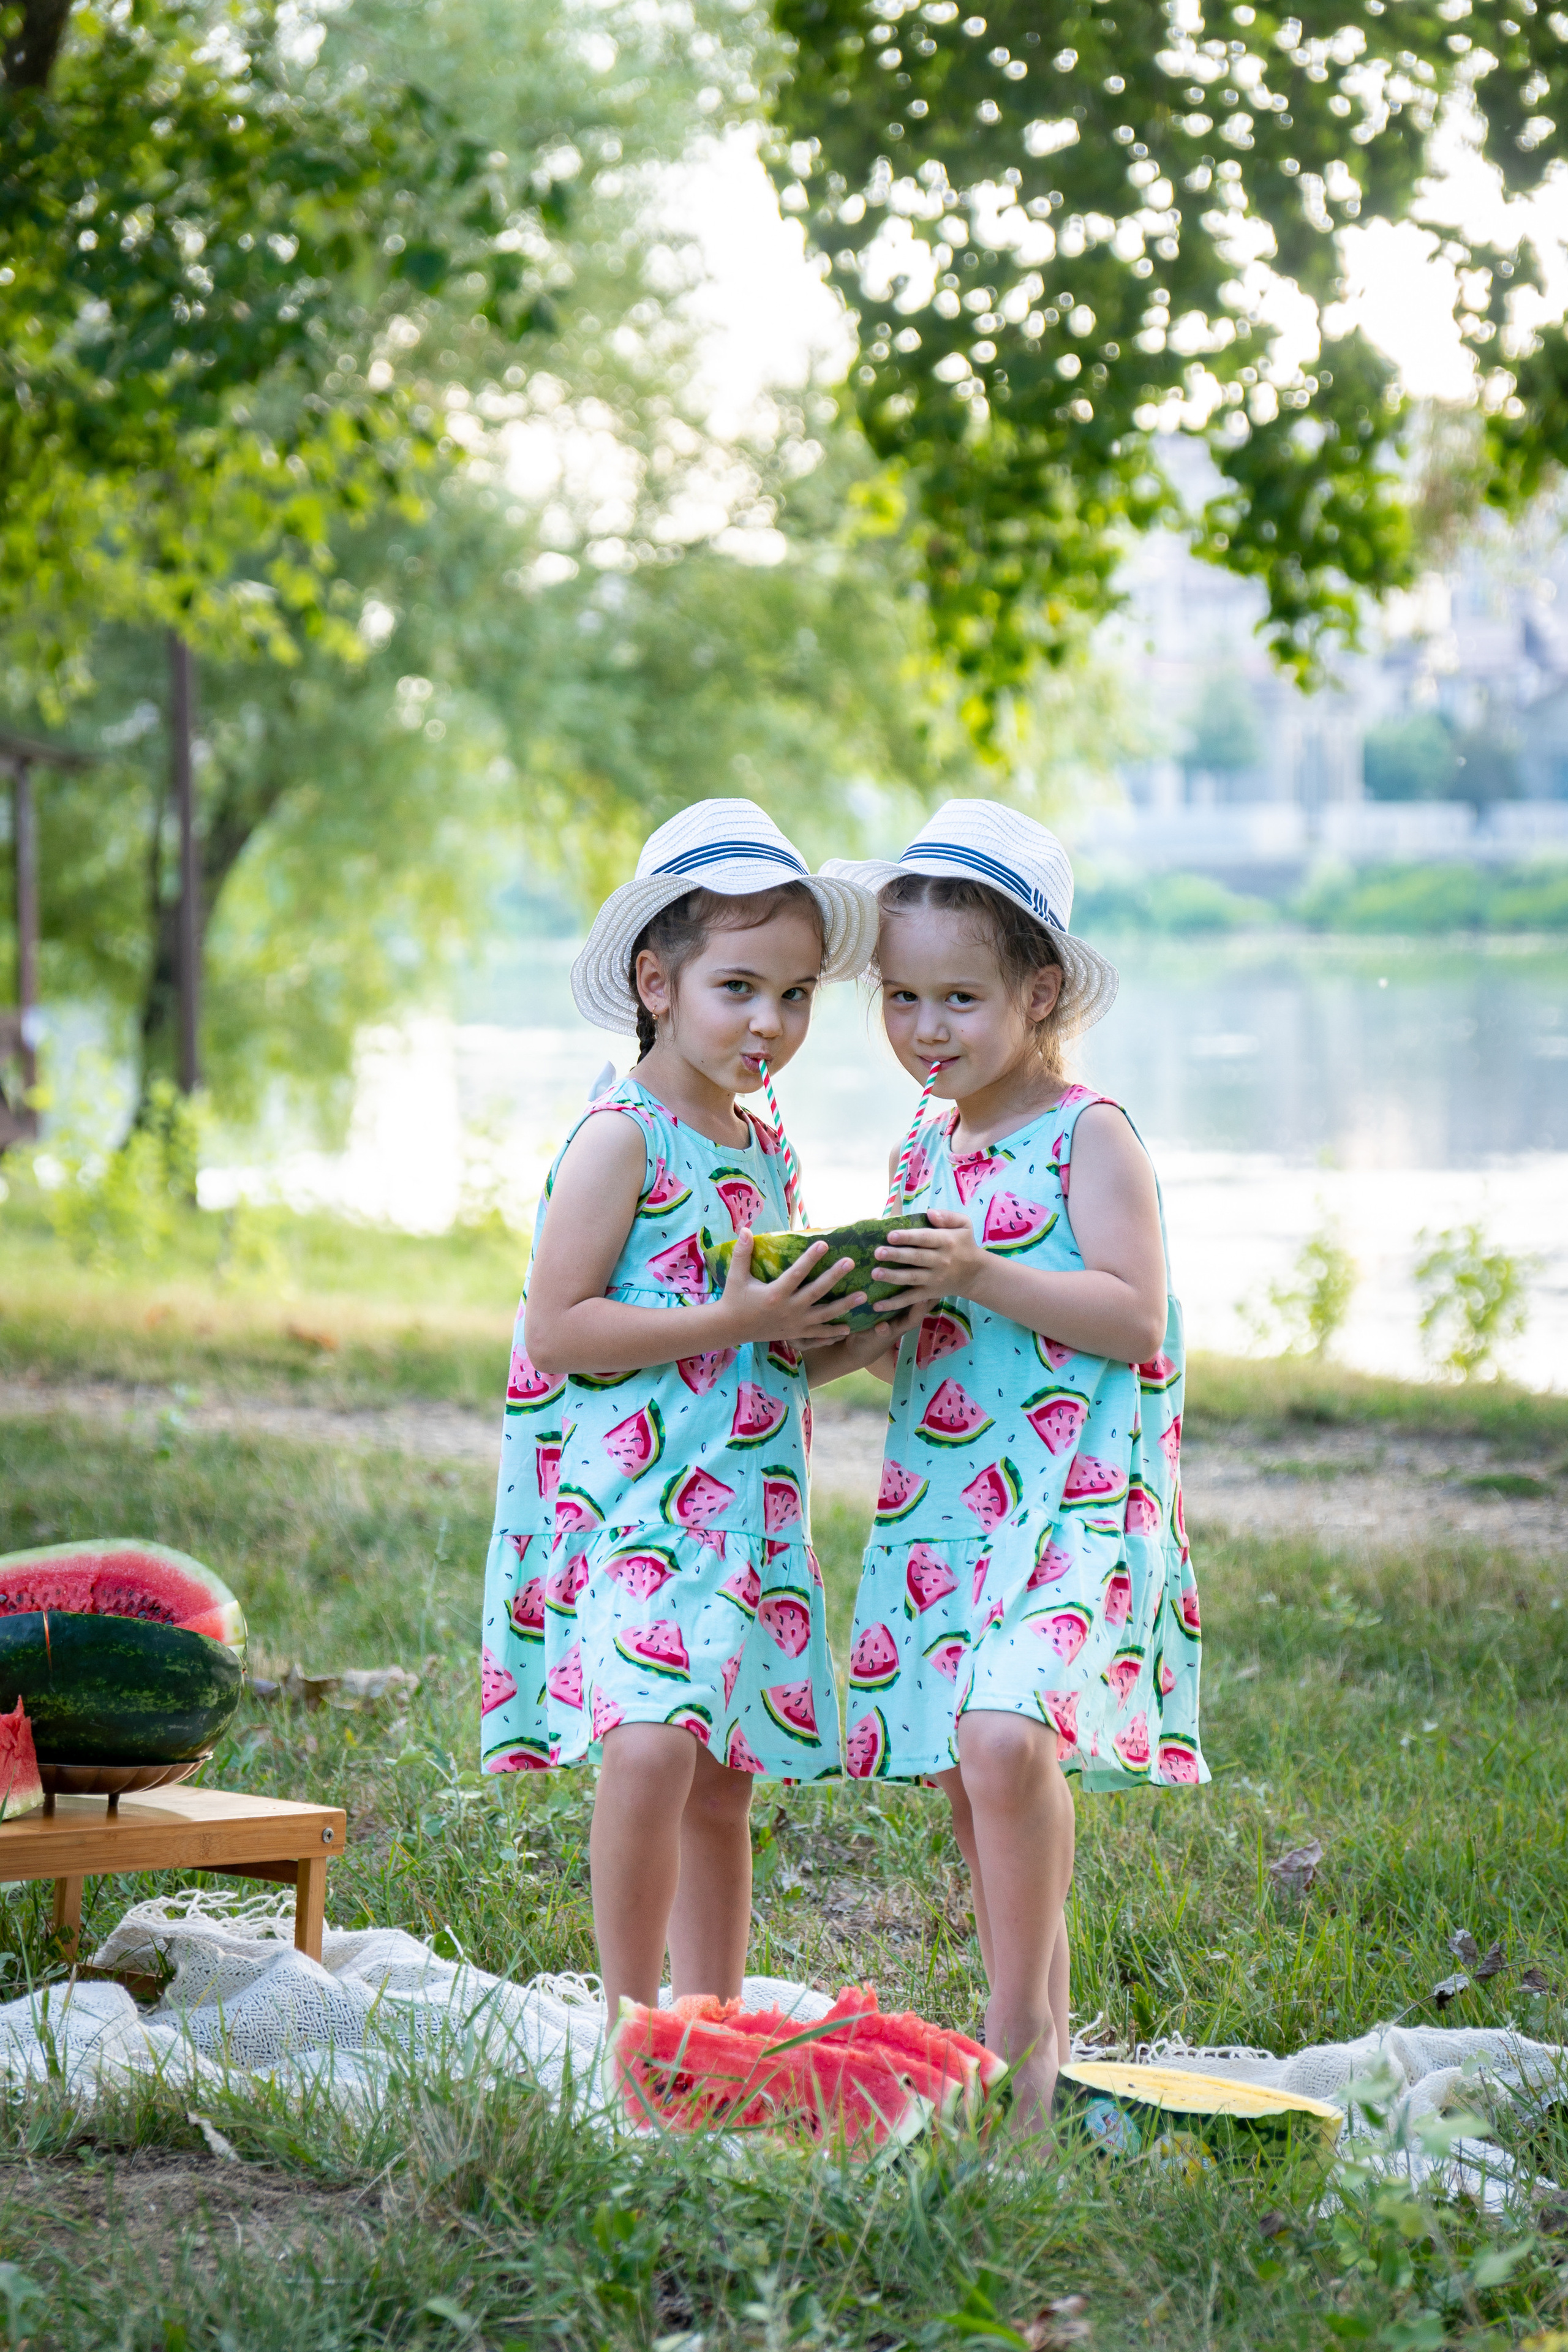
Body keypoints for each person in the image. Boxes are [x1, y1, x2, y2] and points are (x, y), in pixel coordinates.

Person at [821, 801, 1207, 2131]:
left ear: (1038, 993)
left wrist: (978, 1270)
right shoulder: (922, 1147)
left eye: (960, 999)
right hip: (947, 1500)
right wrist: (834, 1329)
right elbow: (916, 1336)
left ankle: (1020, 2044)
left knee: (1001, 1734)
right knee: (966, 1768)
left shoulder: (1091, 1133)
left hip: (1075, 1499)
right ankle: (1031, 2037)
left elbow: (1132, 1318)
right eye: (901, 997)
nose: (925, 1029)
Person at [480, 799, 897, 2024]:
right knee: (652, 1744)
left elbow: (761, 1358)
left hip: (746, 1513)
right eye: (739, 989)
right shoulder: (624, 1138)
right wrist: (730, 1320)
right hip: (632, 1508)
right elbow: (559, 1330)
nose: (770, 1022)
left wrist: (862, 1335)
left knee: (723, 1776)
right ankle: (628, 2019)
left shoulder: (764, 1149)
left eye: (797, 995)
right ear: (656, 985)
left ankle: (708, 2021)